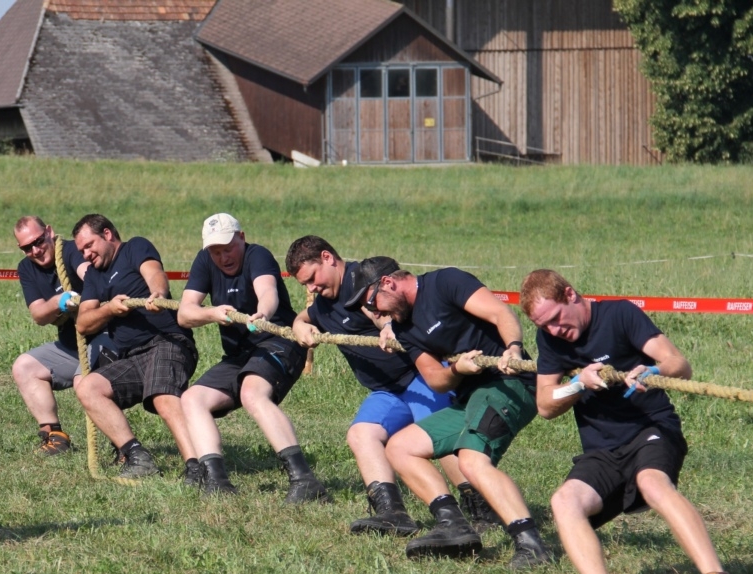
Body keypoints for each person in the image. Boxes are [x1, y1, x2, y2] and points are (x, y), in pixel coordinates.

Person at [521, 269, 739, 574]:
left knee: (651, 482)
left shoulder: (620, 314)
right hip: (603, 448)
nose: (553, 330)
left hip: (652, 428)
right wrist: (577, 384)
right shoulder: (550, 340)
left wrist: (655, 371)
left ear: (570, 295)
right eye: (543, 326)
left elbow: (679, 364)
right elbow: (545, 405)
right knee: (564, 501)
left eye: (555, 319)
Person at [350, 258, 551, 568]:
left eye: (372, 303)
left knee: (471, 461)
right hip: (469, 398)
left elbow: (501, 313)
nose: (375, 313)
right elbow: (435, 379)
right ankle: (453, 525)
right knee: (400, 448)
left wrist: (513, 347)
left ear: (388, 283)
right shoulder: (404, 327)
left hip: (509, 385)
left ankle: (532, 545)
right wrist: (458, 370)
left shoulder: (445, 283)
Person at [286, 238, 497, 533]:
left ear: (328, 258)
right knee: (361, 434)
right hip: (388, 390)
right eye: (304, 284)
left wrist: (387, 327)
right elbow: (310, 314)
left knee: (439, 438)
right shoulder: (324, 302)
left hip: (421, 378)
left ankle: (483, 509)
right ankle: (392, 513)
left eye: (312, 278)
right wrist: (298, 323)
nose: (311, 288)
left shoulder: (362, 281)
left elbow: (384, 311)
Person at [177, 214, 326, 501]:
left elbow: (268, 291)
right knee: (192, 399)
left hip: (279, 341)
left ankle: (304, 479)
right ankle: (217, 482)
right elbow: (185, 313)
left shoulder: (258, 256)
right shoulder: (205, 261)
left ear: (242, 237)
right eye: (215, 251)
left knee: (251, 393)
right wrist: (211, 313)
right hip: (239, 355)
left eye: (228, 248)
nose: (223, 257)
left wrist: (263, 314)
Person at [73, 214, 200, 481]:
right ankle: (138, 458)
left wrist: (158, 294)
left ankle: (198, 467)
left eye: (89, 245)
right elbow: (83, 324)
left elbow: (155, 273)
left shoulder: (135, 248)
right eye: (81, 250)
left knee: (162, 395)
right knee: (88, 388)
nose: (86, 255)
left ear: (107, 234)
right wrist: (109, 309)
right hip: (131, 356)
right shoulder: (94, 275)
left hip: (167, 341)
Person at [11, 215, 114, 456]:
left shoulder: (70, 250)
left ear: (49, 231)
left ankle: (124, 446)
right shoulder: (26, 268)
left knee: (83, 382)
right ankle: (55, 437)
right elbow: (39, 315)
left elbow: (88, 271)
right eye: (27, 247)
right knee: (24, 367)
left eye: (38, 241)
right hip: (71, 346)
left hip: (106, 338)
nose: (35, 250)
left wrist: (85, 295)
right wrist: (59, 301)